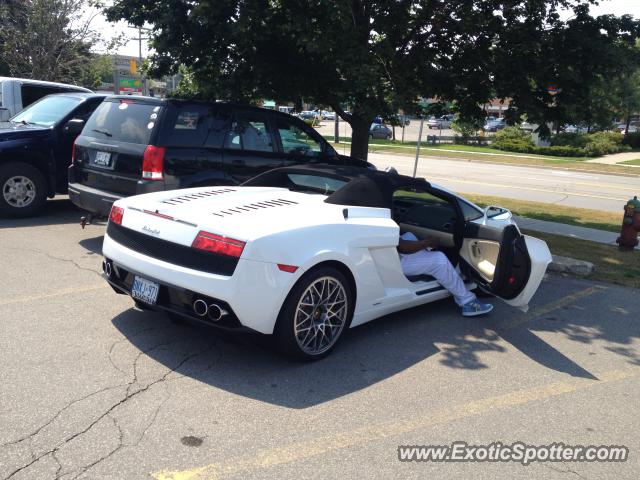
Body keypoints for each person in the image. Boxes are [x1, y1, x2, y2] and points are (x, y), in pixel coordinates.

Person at [397, 231, 493, 317]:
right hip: (394, 262)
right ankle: (468, 302)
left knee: (409, 235)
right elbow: (403, 247)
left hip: (390, 255)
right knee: (439, 259)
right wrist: (428, 242)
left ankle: (438, 272)